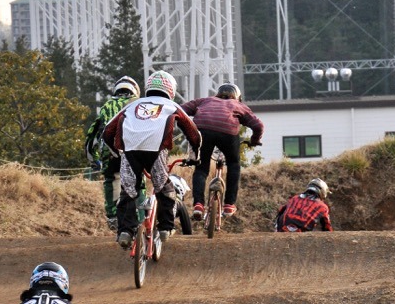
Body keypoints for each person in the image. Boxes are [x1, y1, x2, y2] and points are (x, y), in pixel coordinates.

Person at [103, 70, 201, 248]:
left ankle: (125, 232)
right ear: (170, 89)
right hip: (156, 151)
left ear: (148, 87)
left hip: (130, 150)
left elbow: (107, 131)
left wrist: (117, 152)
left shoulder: (132, 105)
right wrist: (195, 157)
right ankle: (165, 228)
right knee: (164, 187)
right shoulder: (171, 105)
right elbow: (194, 133)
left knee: (128, 192)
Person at [181, 82, 264, 219]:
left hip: (202, 130)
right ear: (237, 96)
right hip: (228, 132)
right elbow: (258, 125)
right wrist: (254, 140)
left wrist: (189, 129)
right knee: (233, 164)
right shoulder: (238, 105)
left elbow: (181, 110)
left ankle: (198, 205)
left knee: (201, 169)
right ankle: (229, 205)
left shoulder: (205, 101)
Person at [84, 76, 141, 230]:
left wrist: (93, 159)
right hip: (134, 149)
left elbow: (92, 135)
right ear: (135, 90)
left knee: (112, 178)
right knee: (138, 181)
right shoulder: (139, 104)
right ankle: (142, 218)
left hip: (109, 151)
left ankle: (112, 216)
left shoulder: (107, 106)